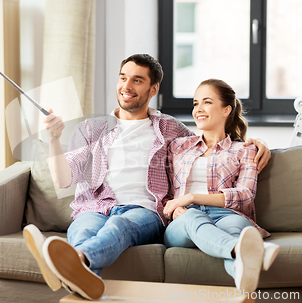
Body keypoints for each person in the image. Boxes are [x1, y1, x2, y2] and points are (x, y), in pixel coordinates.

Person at [23, 55, 272, 300]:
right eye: (123, 78)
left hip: (144, 212)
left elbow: (207, 141)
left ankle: (70, 262)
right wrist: (54, 139)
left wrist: (253, 143)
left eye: (137, 80)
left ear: (153, 88)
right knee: (83, 229)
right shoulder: (90, 129)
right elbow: (64, 180)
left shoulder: (170, 129)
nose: (126, 86)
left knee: (119, 226)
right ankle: (80, 275)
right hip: (94, 208)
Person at [162, 79, 280, 294]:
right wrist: (176, 207)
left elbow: (245, 195)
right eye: (196, 103)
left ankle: (244, 290)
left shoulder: (244, 150)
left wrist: (191, 197)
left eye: (207, 102)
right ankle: (249, 251)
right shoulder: (178, 146)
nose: (198, 109)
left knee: (234, 229)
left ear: (227, 109)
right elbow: (164, 193)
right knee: (192, 218)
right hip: (184, 218)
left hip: (226, 214)